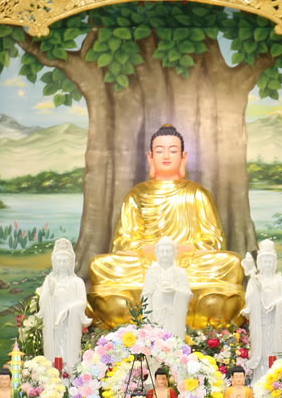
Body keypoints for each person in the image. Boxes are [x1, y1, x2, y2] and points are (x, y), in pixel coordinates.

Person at [87, 125, 245, 328]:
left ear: (183, 156)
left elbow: (213, 240)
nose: (167, 156)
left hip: (188, 262)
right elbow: (124, 241)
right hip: (146, 262)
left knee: (230, 263)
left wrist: (181, 250)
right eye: (160, 150)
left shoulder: (197, 193)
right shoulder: (137, 194)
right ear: (150, 156)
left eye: (173, 150)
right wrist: (151, 251)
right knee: (101, 265)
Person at [39, 237, 88, 372]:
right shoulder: (49, 281)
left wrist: (67, 310)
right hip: (53, 325)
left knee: (70, 352)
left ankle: (71, 374)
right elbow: (42, 303)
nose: (61, 264)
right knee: (53, 351)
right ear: (54, 262)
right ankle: (52, 375)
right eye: (59, 261)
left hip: (70, 324)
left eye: (65, 261)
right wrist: (50, 292)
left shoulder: (77, 282)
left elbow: (82, 302)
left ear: (71, 262)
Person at [244, 239, 282, 378]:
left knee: (275, 350)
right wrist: (255, 292)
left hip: (275, 323)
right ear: (259, 263)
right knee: (261, 349)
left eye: (270, 261)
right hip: (260, 323)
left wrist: (276, 304)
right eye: (265, 261)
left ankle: (275, 378)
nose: (268, 264)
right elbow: (249, 298)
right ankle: (259, 377)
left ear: (275, 263)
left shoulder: (280, 280)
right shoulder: (254, 280)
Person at [141, 238, 192, 337]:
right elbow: (145, 296)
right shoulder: (151, 272)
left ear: (174, 253)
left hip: (173, 315)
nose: (165, 254)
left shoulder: (180, 272)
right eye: (162, 251)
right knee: (157, 336)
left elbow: (188, 294)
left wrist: (175, 291)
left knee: (173, 337)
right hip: (156, 312)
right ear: (157, 253)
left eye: (168, 251)